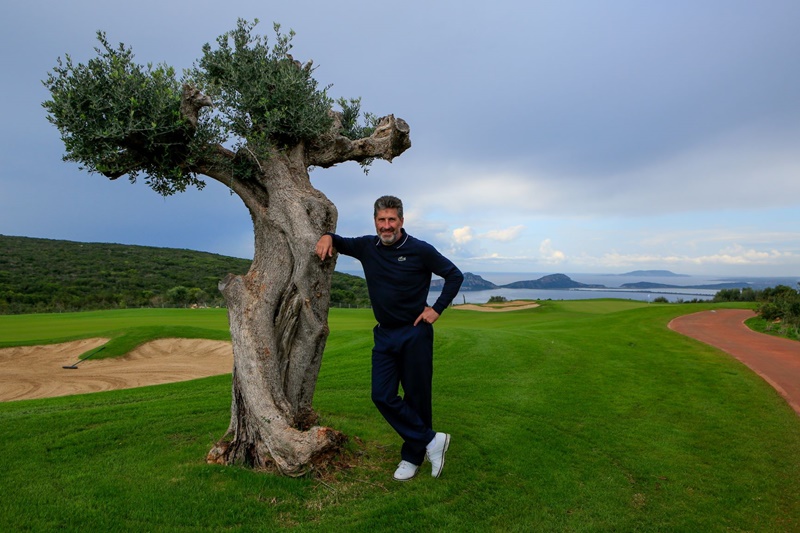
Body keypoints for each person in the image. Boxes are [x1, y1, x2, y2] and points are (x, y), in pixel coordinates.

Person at [315, 195, 464, 481]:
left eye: (391, 220)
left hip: (415, 332)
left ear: (401, 221)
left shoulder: (420, 249)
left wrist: (436, 309)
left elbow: (453, 275)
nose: (386, 226)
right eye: (381, 220)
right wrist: (326, 236)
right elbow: (341, 241)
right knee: (381, 395)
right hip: (384, 334)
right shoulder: (367, 246)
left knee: (417, 397)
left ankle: (412, 457)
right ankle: (432, 440)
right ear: (375, 221)